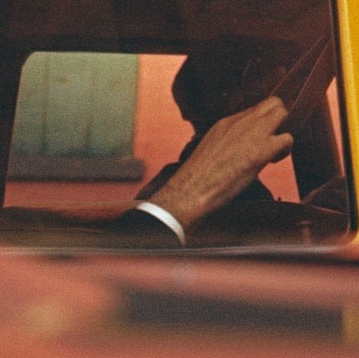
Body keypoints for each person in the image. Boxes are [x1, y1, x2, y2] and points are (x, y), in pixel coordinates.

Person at [116, 36, 347, 246]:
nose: (290, 107)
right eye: (279, 96)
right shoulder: (237, 203)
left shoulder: (168, 182)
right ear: (237, 103)